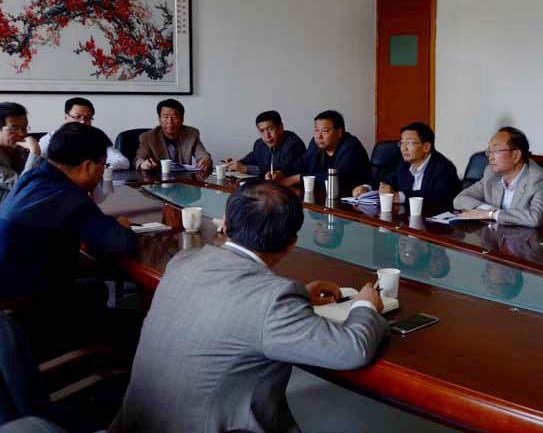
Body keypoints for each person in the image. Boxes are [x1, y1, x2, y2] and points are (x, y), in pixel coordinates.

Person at [109, 181, 388, 433]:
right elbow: (352, 350)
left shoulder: (184, 261)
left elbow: (230, 303)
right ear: (291, 244)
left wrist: (300, 295)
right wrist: (366, 304)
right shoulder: (273, 300)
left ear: (225, 224)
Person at [0, 123, 136, 358]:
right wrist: (123, 226)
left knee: (94, 288)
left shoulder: (33, 177)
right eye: (103, 165)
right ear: (87, 166)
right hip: (20, 314)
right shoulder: (68, 197)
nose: (101, 172)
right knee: (138, 326)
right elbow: (122, 242)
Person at [453, 126, 543, 228]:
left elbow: (534, 218)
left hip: (529, 238)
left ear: (516, 155)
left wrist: (492, 214)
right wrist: (490, 211)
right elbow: (459, 200)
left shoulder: (540, 179)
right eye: (489, 151)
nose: (490, 157)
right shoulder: (491, 173)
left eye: (495, 150)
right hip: (496, 235)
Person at [352, 121, 461, 212]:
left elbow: (438, 196)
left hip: (435, 225)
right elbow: (385, 179)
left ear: (426, 147)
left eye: (409, 143)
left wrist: (400, 196)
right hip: (408, 221)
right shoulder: (404, 165)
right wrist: (366, 188)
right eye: (402, 143)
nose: (403, 148)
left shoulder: (444, 168)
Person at [281, 110, 371, 195]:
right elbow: (301, 163)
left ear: (339, 132)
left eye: (325, 131)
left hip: (352, 199)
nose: (319, 136)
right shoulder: (316, 144)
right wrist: (281, 172)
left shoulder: (351, 148)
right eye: (316, 130)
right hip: (323, 196)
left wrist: (297, 178)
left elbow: (337, 179)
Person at [0, 102, 42, 229]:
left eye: (24, 128)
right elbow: (25, 186)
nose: (21, 134)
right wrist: (34, 152)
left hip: (21, 217)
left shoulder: (18, 149)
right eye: (14, 128)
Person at [38, 97, 130, 170]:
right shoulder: (51, 138)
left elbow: (122, 162)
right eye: (77, 117)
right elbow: (36, 163)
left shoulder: (96, 138)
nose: (82, 122)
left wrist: (98, 167)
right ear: (66, 117)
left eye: (87, 118)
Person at [223, 110, 306, 181]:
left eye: (270, 129)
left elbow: (279, 172)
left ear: (280, 127)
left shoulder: (293, 144)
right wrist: (234, 164)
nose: (267, 135)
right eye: (262, 131)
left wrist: (246, 169)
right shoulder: (259, 144)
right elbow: (250, 159)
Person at [134, 98, 212, 171]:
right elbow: (139, 159)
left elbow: (202, 155)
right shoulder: (148, 137)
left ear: (182, 119)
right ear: (159, 119)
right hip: (158, 179)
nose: (170, 121)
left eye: (174, 117)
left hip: (184, 178)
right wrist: (143, 164)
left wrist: (205, 161)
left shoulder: (191, 134)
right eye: (165, 117)